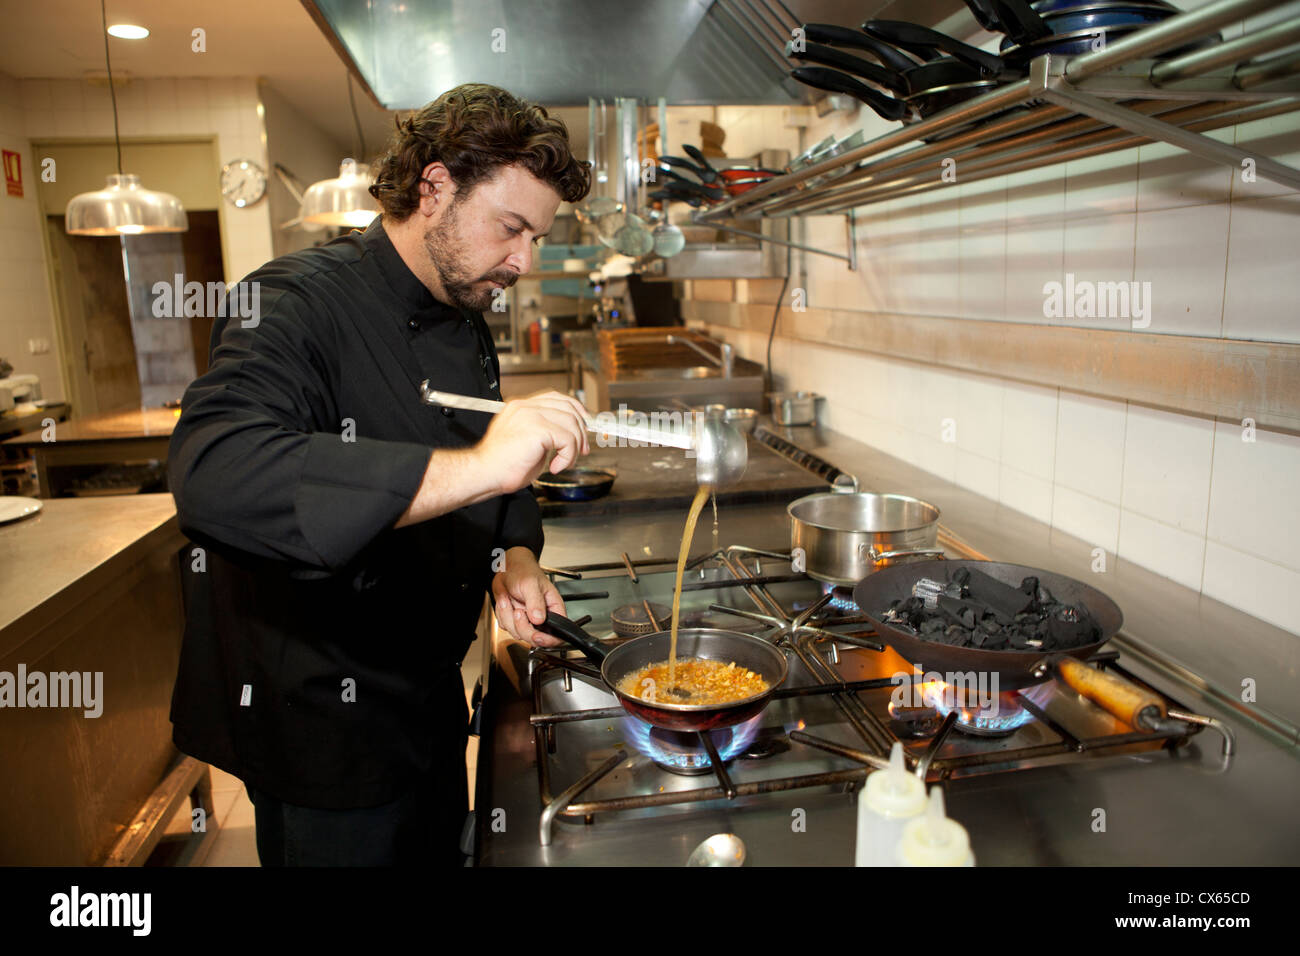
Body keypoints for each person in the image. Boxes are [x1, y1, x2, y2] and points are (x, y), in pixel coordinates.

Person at [166, 83, 591, 866]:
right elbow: (217, 473)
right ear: (433, 188)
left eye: (536, 238)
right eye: (511, 228)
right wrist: (481, 461)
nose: (523, 262)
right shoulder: (292, 302)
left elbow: (482, 481)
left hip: (424, 695)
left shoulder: (463, 317)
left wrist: (516, 552)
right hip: (321, 720)